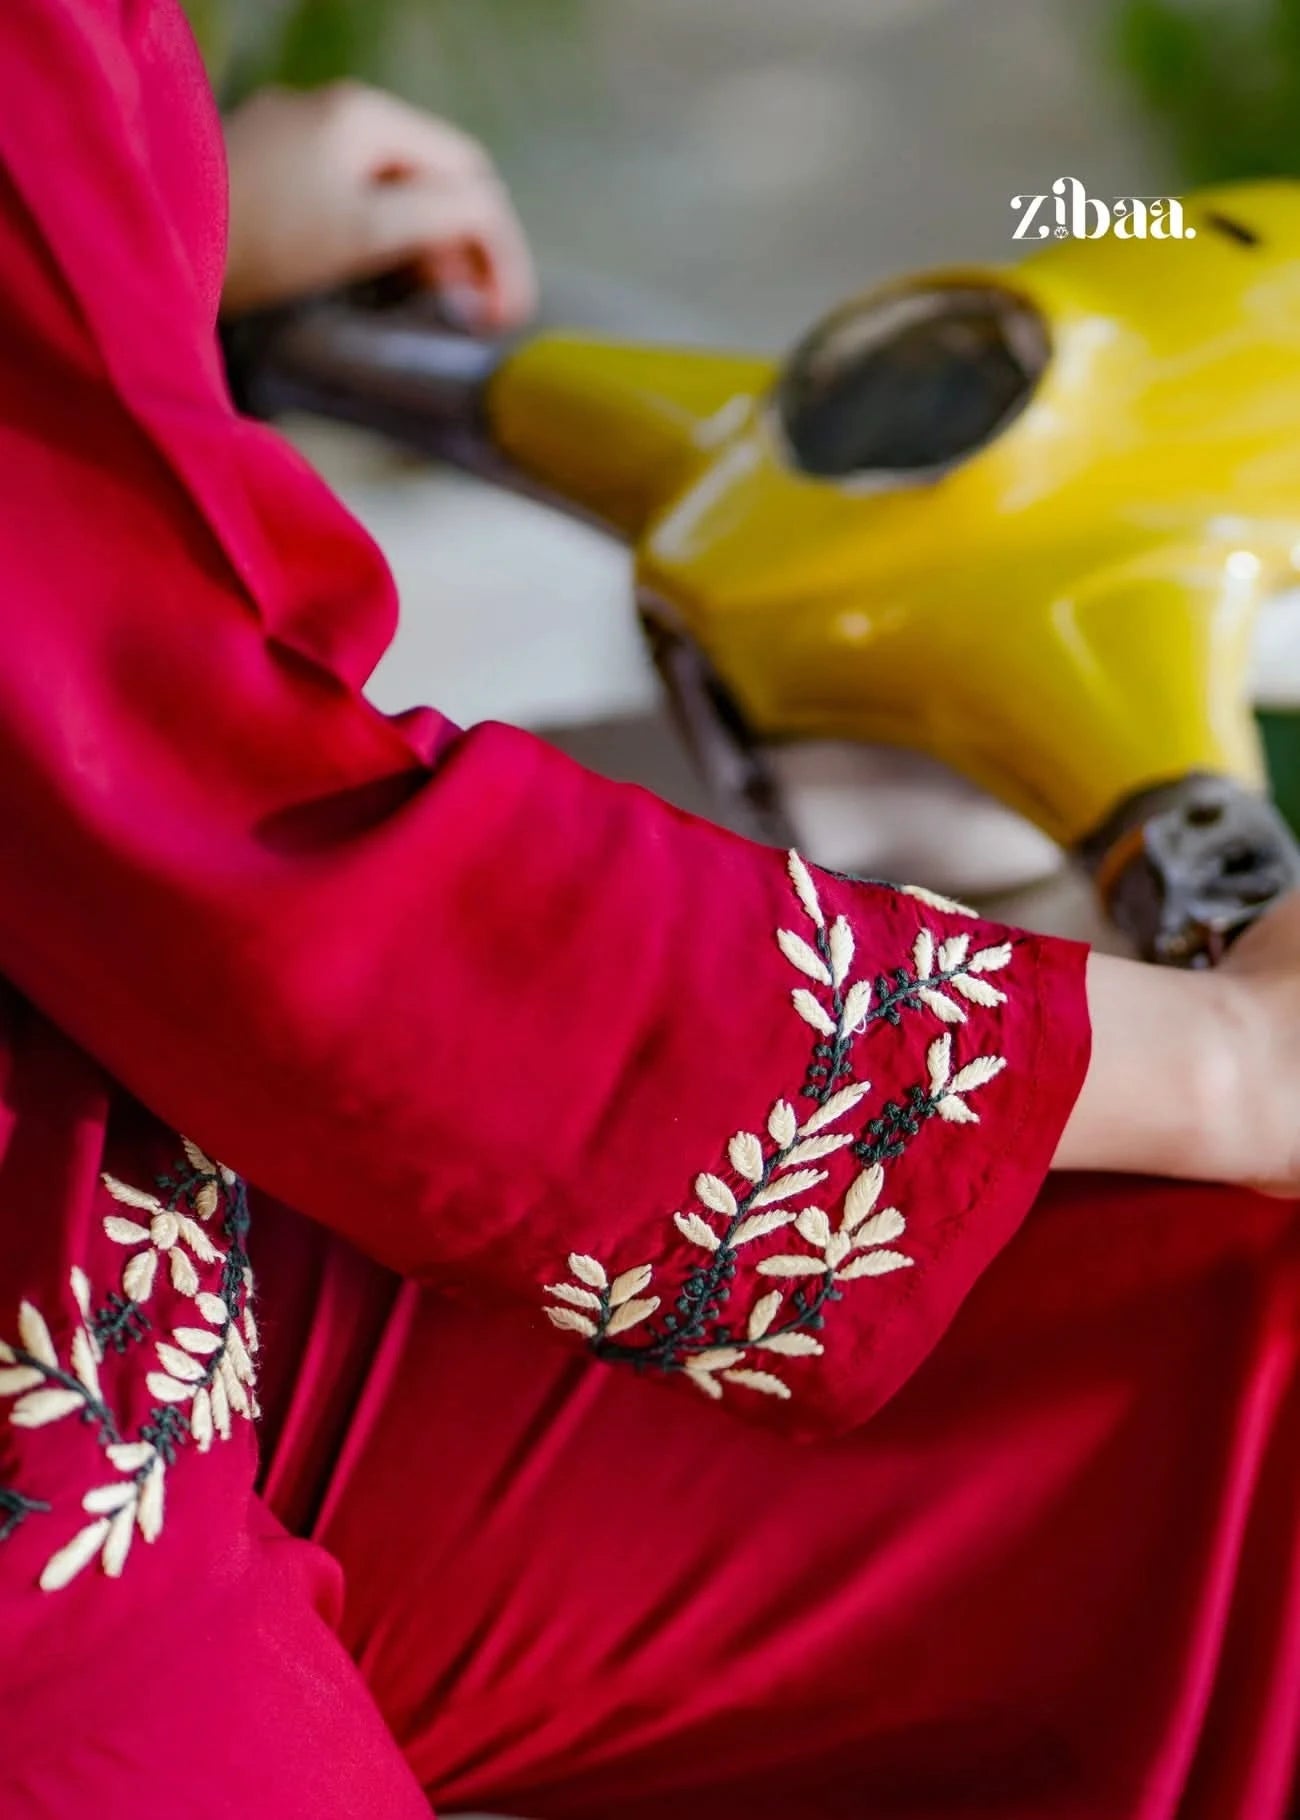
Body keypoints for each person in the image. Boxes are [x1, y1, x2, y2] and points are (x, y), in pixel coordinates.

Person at [0, 4, 1297, 1816]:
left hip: (135, 1192)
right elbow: (213, 812)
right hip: (54, 1418)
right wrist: (1220, 1056)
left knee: (1234, 1348)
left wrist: (148, 219)